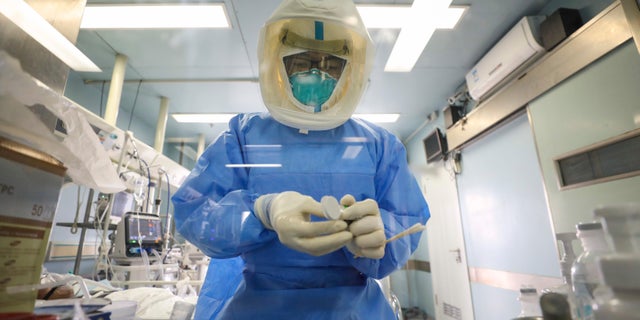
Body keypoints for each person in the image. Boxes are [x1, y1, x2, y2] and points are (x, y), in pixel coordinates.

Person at [171, 0, 430, 318]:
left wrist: (382, 235)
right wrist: (261, 212)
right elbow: (195, 212)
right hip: (260, 306)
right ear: (278, 63)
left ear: (351, 70)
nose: (316, 73)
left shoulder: (379, 146)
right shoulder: (244, 136)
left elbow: (408, 221)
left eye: (331, 64)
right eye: (302, 61)